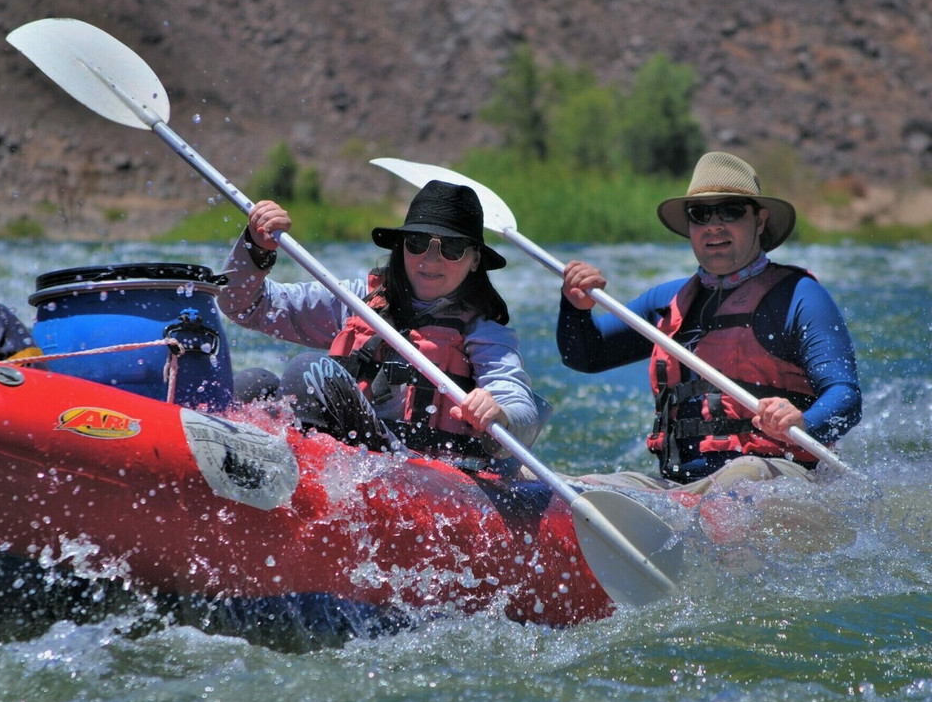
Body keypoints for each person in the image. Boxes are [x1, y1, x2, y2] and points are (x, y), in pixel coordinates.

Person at [557, 151, 861, 493]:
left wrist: (803, 421)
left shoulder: (799, 297)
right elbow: (586, 355)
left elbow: (846, 396)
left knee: (739, 476)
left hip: (774, 476)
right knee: (575, 487)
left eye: (730, 210)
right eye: (700, 214)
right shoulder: (664, 302)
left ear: (759, 221)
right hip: (680, 487)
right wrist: (575, 308)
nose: (713, 225)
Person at [217, 179, 540, 469]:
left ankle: (297, 477)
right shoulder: (358, 301)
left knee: (308, 371)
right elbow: (245, 306)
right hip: (349, 458)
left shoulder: (483, 332)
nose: (430, 259)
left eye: (452, 249)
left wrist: (501, 414)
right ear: (401, 248)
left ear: (474, 261)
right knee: (254, 385)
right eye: (417, 243)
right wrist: (255, 249)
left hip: (416, 472)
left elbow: (520, 409)